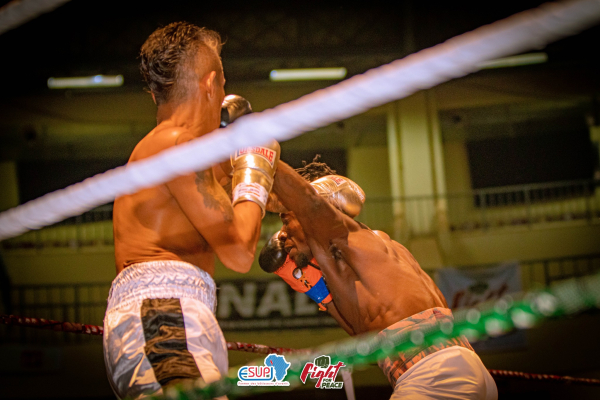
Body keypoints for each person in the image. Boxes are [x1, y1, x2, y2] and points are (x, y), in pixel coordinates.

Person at [104, 22, 279, 399]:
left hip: (175, 316)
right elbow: (239, 250)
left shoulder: (179, 153)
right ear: (211, 84)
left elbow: (254, 204)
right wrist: (255, 170)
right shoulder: (176, 145)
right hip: (163, 315)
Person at [262, 157, 497, 399]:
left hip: (435, 375)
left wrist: (259, 152)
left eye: (286, 220)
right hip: (450, 370)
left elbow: (309, 202)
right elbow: (368, 337)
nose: (281, 234)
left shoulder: (354, 240)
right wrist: (314, 288)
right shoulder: (354, 268)